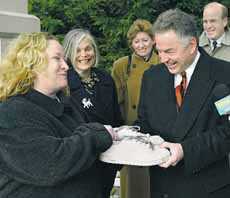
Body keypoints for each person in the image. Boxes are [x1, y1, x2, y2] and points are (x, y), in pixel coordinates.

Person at [0, 32, 125, 198]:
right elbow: (50, 164)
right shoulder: (13, 113)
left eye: (63, 59)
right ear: (33, 64)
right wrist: (97, 135)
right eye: (57, 58)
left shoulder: (65, 103)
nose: (66, 66)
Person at [137, 9, 230, 198]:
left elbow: (227, 132)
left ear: (192, 45)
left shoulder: (223, 75)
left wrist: (185, 150)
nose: (163, 59)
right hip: (163, 189)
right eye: (159, 51)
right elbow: (144, 123)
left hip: (208, 189)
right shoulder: (152, 77)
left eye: (170, 51)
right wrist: (128, 137)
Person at [63, 29, 123, 198]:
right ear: (69, 52)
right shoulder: (62, 83)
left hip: (108, 157)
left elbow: (116, 117)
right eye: (78, 50)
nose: (84, 54)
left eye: (88, 49)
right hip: (83, 161)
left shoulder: (105, 78)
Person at [112, 19, 159, 198]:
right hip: (132, 135)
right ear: (131, 43)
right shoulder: (121, 66)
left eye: (145, 40)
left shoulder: (164, 61)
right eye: (136, 41)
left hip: (158, 133)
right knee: (134, 188)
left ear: (153, 40)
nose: (141, 45)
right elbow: (115, 102)